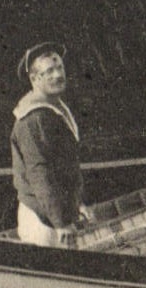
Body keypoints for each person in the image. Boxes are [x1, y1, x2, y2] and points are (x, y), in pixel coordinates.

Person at [10, 43, 88, 246]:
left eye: (60, 68)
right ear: (34, 79)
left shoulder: (54, 109)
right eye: (49, 71)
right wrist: (61, 223)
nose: (57, 75)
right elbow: (39, 173)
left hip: (56, 215)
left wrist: (77, 205)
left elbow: (66, 168)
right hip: (42, 221)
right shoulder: (32, 119)